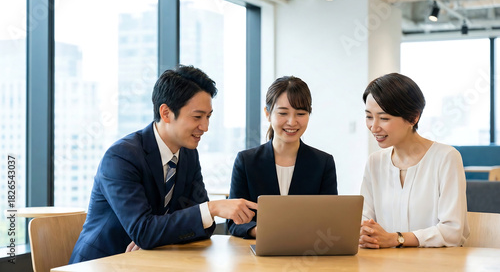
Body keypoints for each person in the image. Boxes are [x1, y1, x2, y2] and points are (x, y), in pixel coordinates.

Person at [69, 65, 257, 263]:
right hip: (103, 263)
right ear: (166, 113)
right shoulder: (122, 157)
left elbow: (204, 227)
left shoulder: (188, 155)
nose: (205, 127)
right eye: (197, 117)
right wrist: (211, 209)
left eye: (208, 117)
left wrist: (157, 236)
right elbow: (145, 230)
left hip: (149, 262)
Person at [359, 73, 469, 249]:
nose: (374, 126)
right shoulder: (375, 162)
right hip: (383, 264)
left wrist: (396, 239)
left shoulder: (446, 157)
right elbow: (364, 222)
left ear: (413, 117)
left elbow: (452, 232)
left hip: (436, 265)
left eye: (384, 118)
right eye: (369, 116)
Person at [228, 76, 338, 239]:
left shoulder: (323, 163)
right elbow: (234, 221)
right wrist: (261, 231)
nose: (292, 122)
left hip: (306, 253)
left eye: (300, 113)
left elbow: (331, 219)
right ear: (268, 113)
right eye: (283, 113)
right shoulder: (246, 161)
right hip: (258, 253)